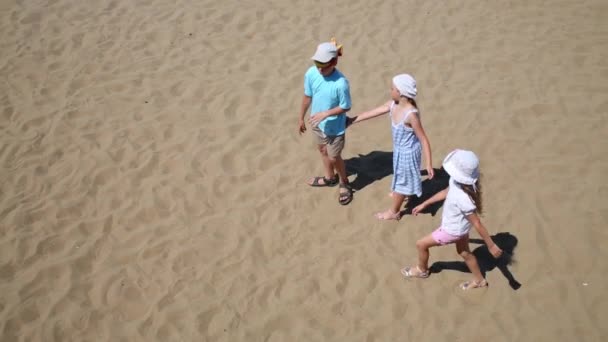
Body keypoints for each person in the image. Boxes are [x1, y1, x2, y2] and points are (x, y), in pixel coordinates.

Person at [401, 149, 503, 290]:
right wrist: (425, 203)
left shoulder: (463, 198)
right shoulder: (459, 182)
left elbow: (477, 223)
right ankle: (479, 280)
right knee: (464, 252)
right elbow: (446, 191)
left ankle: (422, 270)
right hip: (461, 229)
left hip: (451, 231)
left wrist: (491, 245)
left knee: (421, 244)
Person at [347, 74, 433, 220]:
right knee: (402, 176)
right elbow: (376, 111)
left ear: (400, 92)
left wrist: (429, 164)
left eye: (392, 88)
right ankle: (405, 194)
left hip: (409, 154)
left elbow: (423, 139)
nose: (390, 90)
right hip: (399, 151)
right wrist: (353, 120)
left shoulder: (411, 115)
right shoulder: (394, 104)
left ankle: (394, 212)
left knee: (403, 183)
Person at [298, 38, 353, 205]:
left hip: (335, 129)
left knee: (334, 156)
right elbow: (308, 96)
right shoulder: (311, 73)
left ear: (334, 61)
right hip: (317, 124)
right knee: (322, 151)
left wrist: (326, 114)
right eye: (317, 63)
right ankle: (330, 178)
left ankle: (344, 182)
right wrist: (301, 117)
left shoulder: (341, 83)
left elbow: (346, 106)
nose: (319, 68)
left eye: (323, 65)